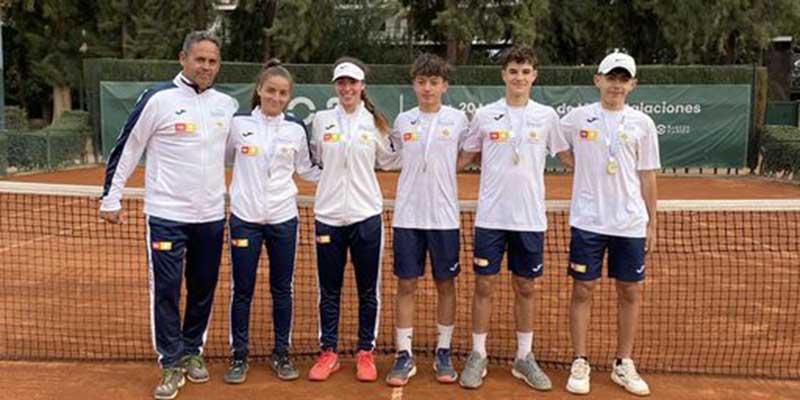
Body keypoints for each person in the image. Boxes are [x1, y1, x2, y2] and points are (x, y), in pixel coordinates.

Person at [99, 31, 239, 400]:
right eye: (200, 59)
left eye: (212, 61)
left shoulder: (226, 105)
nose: (206, 66)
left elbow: (231, 155)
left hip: (210, 215)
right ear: (183, 59)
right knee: (166, 290)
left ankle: (193, 350)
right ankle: (170, 361)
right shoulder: (157, 99)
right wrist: (110, 197)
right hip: (165, 215)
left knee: (203, 286)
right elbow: (128, 147)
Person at [456, 45, 565, 391]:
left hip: (530, 220)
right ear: (504, 75)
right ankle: (478, 354)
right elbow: (463, 156)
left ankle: (524, 357)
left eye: (525, 71)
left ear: (534, 76)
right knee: (484, 285)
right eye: (513, 71)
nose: (519, 77)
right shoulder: (486, 115)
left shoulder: (547, 116)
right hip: (490, 217)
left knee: (526, 288)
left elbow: (568, 157)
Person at [554, 50, 659, 396]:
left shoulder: (643, 124)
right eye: (611, 77)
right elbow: (557, 147)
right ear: (597, 80)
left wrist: (652, 224)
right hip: (588, 221)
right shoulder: (577, 118)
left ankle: (623, 363)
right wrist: (580, 166)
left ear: (633, 85)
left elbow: (647, 177)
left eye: (623, 79)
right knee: (582, 290)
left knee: (629, 291)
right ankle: (580, 360)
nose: (616, 84)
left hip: (629, 223)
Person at [223, 59, 321, 384]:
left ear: (289, 96)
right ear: (259, 90)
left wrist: (343, 172)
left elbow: (306, 169)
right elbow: (221, 159)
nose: (276, 98)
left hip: (283, 219)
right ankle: (239, 355)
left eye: (282, 93)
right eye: (270, 91)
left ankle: (281, 352)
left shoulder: (295, 129)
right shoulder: (237, 125)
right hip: (244, 220)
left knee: (283, 289)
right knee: (242, 290)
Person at [306, 57, 399, 382]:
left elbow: (390, 159)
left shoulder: (374, 123)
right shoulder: (320, 120)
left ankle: (365, 352)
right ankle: (328, 351)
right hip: (328, 217)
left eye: (352, 82)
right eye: (341, 82)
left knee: (367, 290)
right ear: (336, 86)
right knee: (328, 290)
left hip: (366, 217)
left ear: (362, 87)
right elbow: (316, 159)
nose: (347, 88)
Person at [384, 53, 469, 387]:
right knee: (406, 284)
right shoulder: (403, 121)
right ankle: (404, 354)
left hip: (445, 217)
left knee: (445, 284)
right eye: (421, 82)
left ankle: (443, 350)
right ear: (414, 85)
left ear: (444, 86)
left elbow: (469, 152)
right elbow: (392, 156)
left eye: (434, 82)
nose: (427, 88)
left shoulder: (459, 119)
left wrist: (449, 170)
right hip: (407, 216)